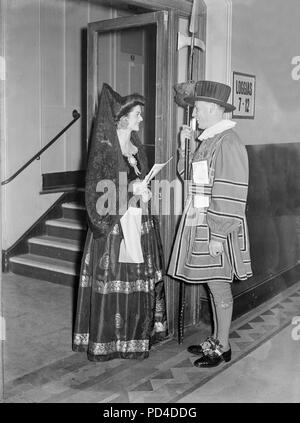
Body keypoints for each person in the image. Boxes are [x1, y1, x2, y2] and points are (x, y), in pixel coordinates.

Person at [73, 83, 167, 361]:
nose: (140, 118)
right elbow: (97, 192)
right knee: (114, 280)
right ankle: (110, 342)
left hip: (138, 222)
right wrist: (130, 190)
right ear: (124, 118)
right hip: (113, 230)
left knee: (139, 280)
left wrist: (145, 190)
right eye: (137, 113)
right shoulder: (104, 148)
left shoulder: (137, 147)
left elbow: (139, 180)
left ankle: (134, 339)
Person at [168, 80, 252, 368]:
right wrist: (185, 145)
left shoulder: (228, 142)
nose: (196, 115)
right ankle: (216, 339)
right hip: (203, 219)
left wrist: (217, 234)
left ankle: (223, 346)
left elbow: (231, 191)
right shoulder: (210, 140)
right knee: (211, 283)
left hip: (218, 225)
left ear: (216, 109)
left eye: (200, 109)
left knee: (218, 284)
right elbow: (189, 178)